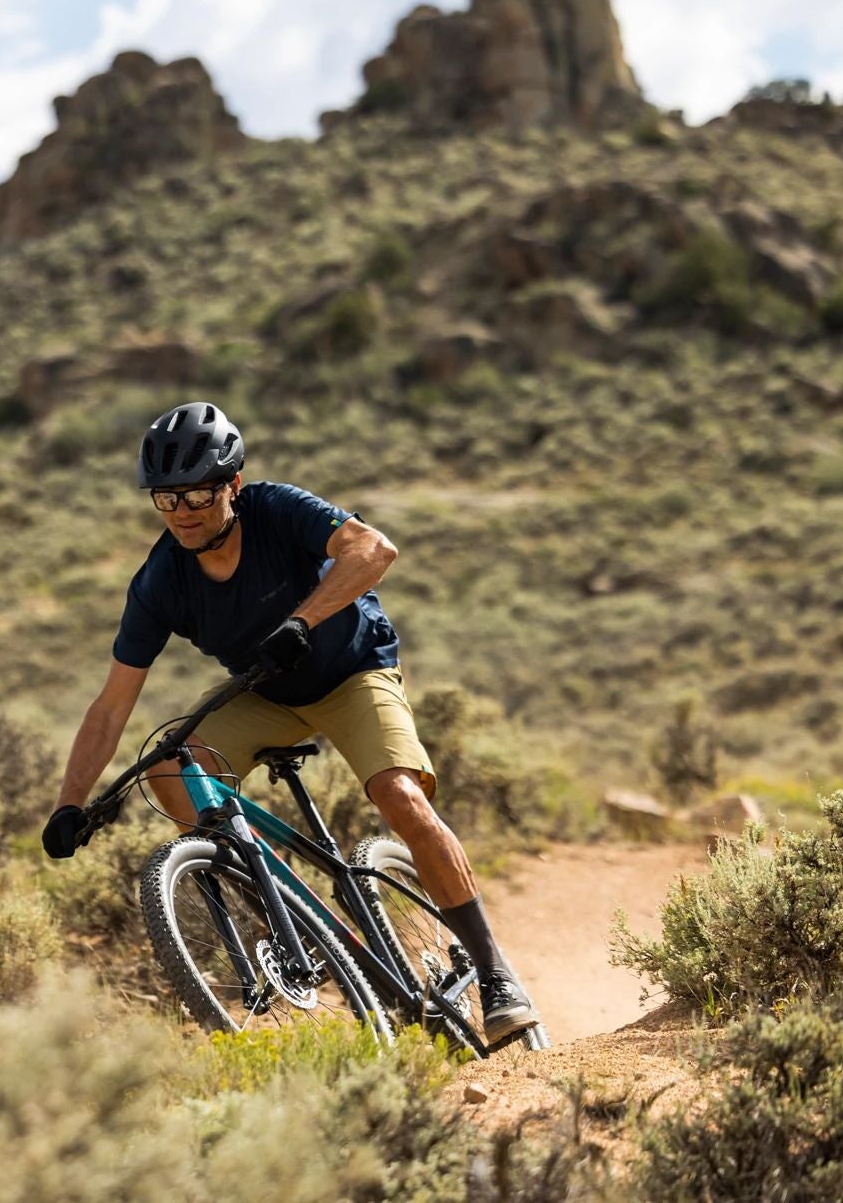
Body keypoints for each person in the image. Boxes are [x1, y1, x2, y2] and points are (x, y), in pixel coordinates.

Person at [40, 401, 540, 1041]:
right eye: (166, 500)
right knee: (168, 765)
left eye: (197, 494)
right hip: (265, 693)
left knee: (399, 795)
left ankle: (497, 974)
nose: (184, 512)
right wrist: (69, 804)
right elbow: (112, 705)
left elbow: (372, 549)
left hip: (354, 673)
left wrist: (302, 621)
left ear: (232, 486)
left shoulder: (276, 509)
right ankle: (284, 910)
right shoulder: (160, 580)